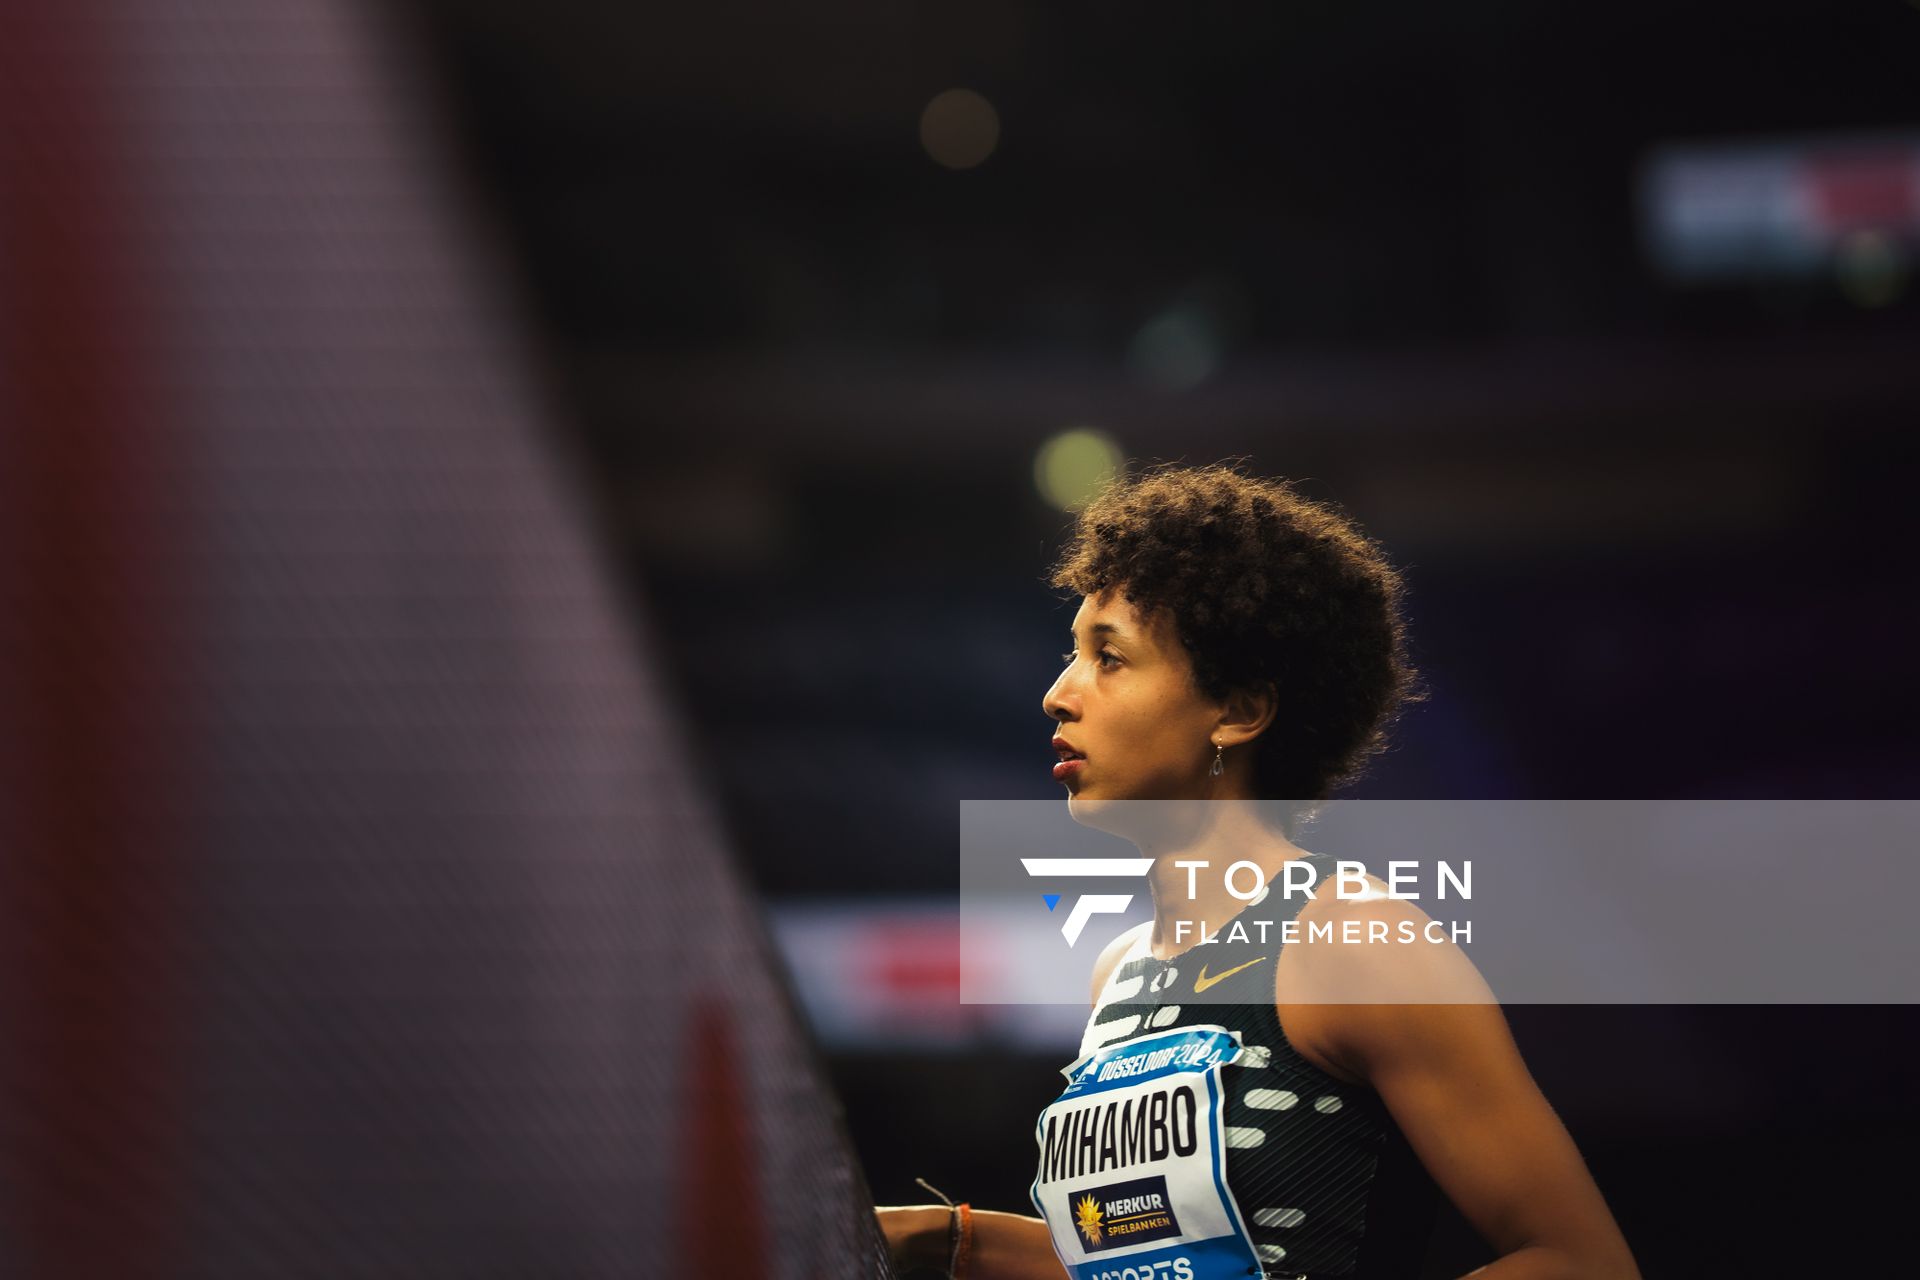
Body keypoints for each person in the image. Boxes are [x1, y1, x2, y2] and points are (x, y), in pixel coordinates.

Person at [877, 461, 1640, 1280]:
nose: (1058, 695)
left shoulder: (1354, 944)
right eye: (1073, 654)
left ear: (1239, 710)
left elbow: (1580, 1261)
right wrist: (951, 1239)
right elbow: (1137, 1266)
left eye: (1111, 657)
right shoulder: (1120, 974)